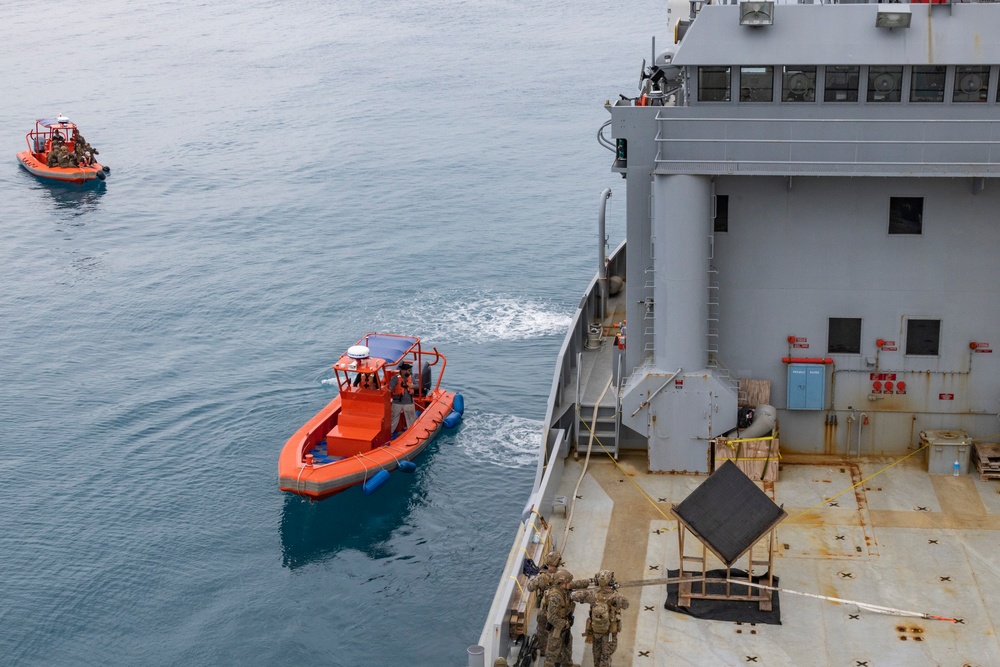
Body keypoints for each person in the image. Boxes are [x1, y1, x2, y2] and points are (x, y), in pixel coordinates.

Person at [571, 570, 630, 667]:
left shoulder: (592, 594)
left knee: (597, 655)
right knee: (605, 656)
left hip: (596, 631)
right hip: (610, 632)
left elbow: (575, 597)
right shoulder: (616, 597)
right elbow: (626, 605)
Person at [543, 570, 579, 667]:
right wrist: (565, 624)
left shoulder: (564, 591)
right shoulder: (555, 596)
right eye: (568, 582)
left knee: (567, 647)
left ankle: (567, 664)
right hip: (557, 629)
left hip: (565, 626)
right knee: (552, 653)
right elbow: (551, 618)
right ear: (562, 583)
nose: (570, 584)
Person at [389, 362, 416, 432]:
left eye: (408, 370)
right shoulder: (395, 378)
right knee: (393, 418)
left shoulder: (411, 378)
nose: (407, 372)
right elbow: (390, 387)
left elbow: (418, 385)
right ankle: (390, 433)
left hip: (409, 402)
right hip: (397, 402)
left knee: (411, 419)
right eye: (405, 370)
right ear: (401, 370)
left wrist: (413, 386)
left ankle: (411, 432)